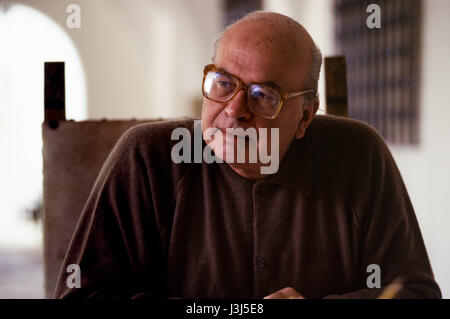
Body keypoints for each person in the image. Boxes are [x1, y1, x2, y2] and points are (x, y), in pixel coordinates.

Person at [54, 11, 441, 299]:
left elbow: (415, 291)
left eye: (263, 95)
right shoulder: (147, 158)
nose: (235, 109)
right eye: (224, 83)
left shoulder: (359, 155)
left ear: (305, 116)